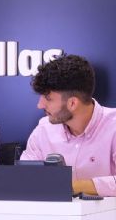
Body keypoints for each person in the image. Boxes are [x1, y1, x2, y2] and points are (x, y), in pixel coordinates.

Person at [20, 54, 116, 196]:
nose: (40, 105)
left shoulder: (113, 126)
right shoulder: (43, 129)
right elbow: (23, 177)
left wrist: (73, 186)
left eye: (48, 98)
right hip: (54, 217)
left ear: (72, 103)